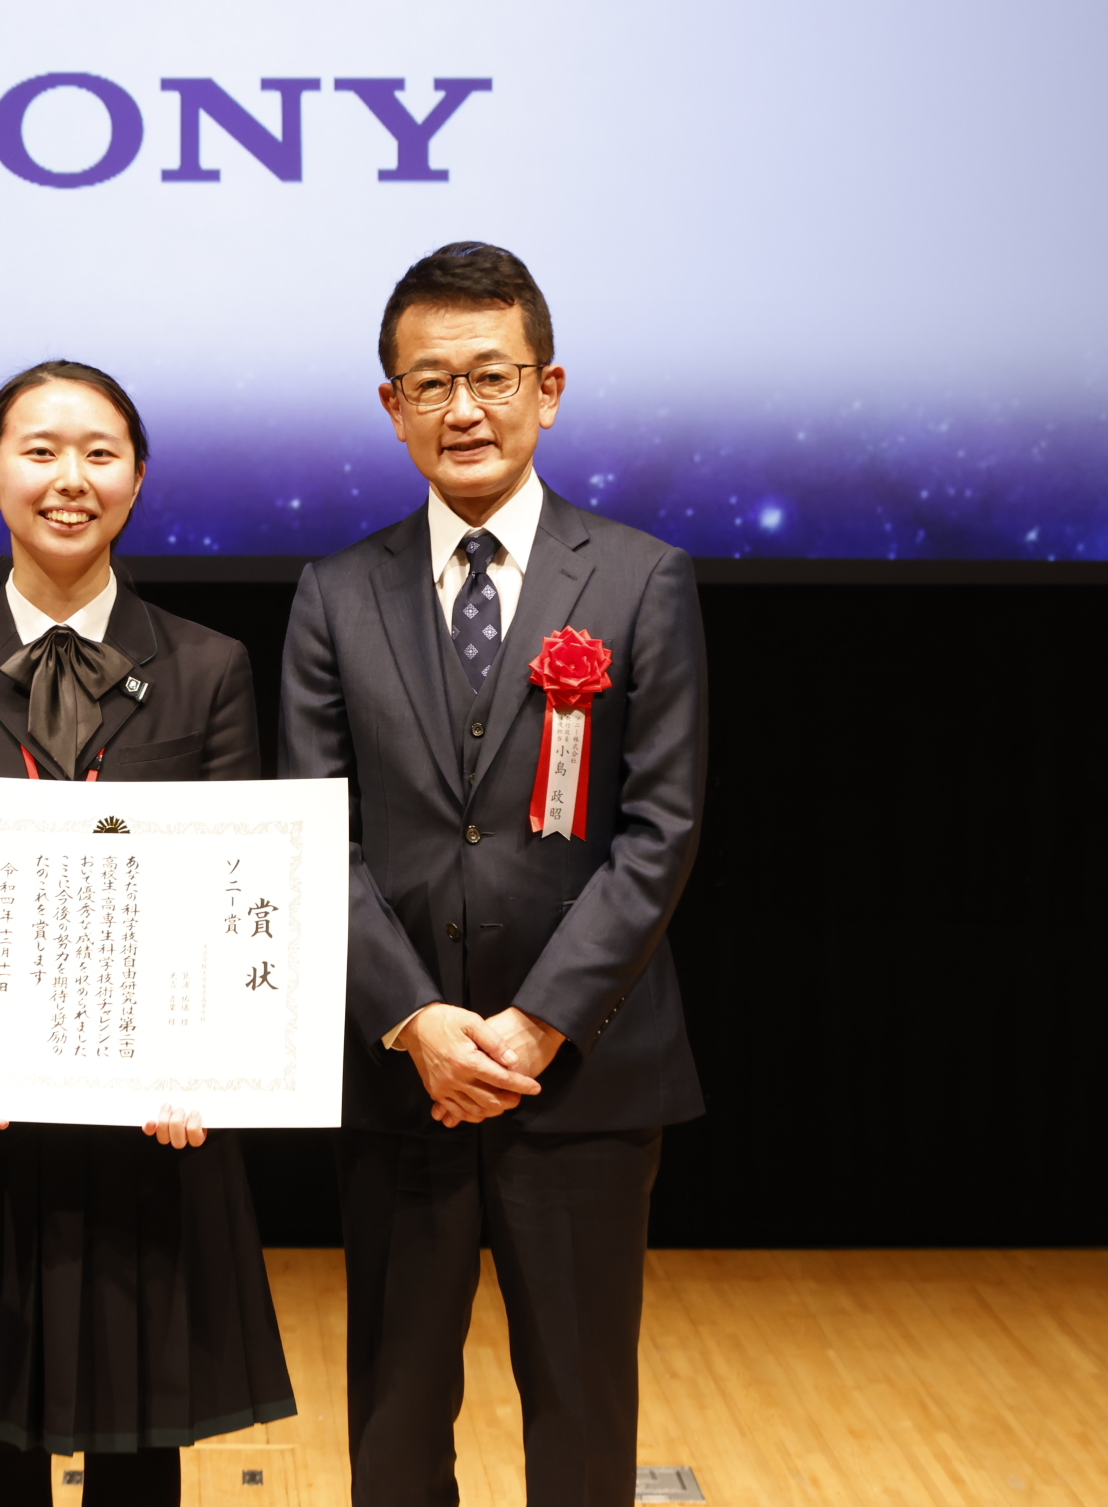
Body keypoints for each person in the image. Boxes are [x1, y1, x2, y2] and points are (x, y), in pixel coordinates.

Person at [278, 244, 709, 1507]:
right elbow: (313, 834)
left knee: (582, 1415)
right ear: (392, 404)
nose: (462, 408)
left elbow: (661, 828)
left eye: (492, 376)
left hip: (581, 1076)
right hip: (402, 1076)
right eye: (431, 382)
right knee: (395, 1423)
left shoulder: (639, 577)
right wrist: (417, 1020)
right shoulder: (335, 593)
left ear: (548, 388)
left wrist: (533, 1024)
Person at [0, 360, 296, 1507]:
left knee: (142, 1449)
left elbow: (232, 882)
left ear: (137, 479)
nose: (70, 478)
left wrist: (206, 1066)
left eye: (100, 453)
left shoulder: (208, 668)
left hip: (151, 1131)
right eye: (40, 451)